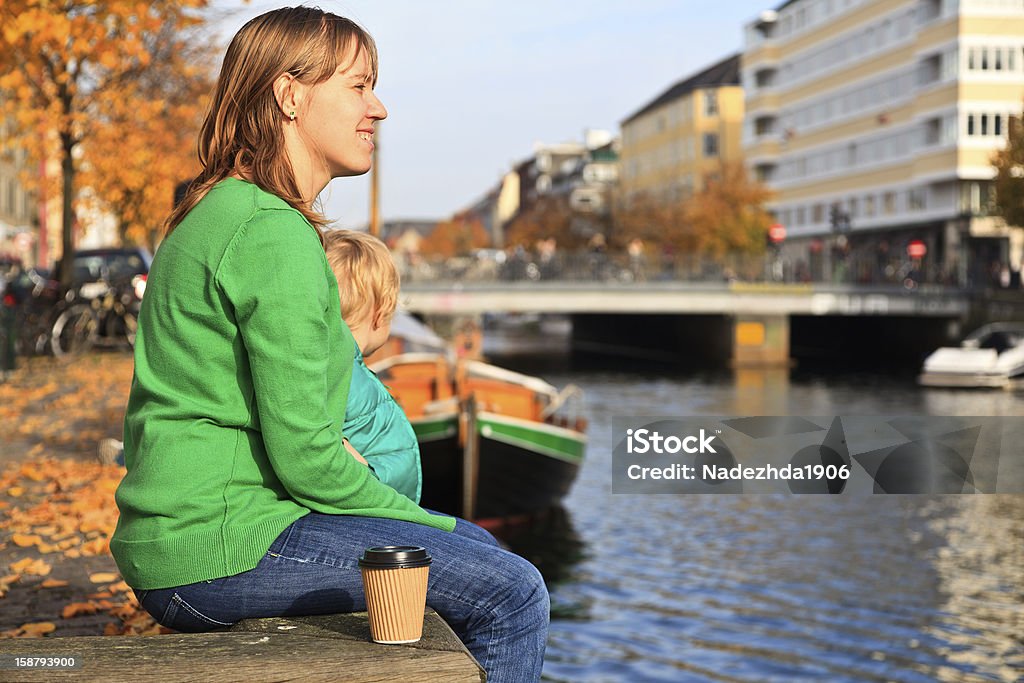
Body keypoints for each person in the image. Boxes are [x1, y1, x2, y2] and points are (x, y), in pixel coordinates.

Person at [110, 8, 548, 682]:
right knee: (510, 591)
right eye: (359, 86)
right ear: (290, 96)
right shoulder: (271, 231)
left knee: (477, 555)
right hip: (219, 545)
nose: (379, 108)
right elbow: (309, 460)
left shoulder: (219, 209)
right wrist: (433, 521)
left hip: (183, 535)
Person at [323, 229, 420, 502]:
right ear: (381, 313)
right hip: (370, 501)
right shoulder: (345, 374)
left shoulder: (334, 366)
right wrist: (365, 475)